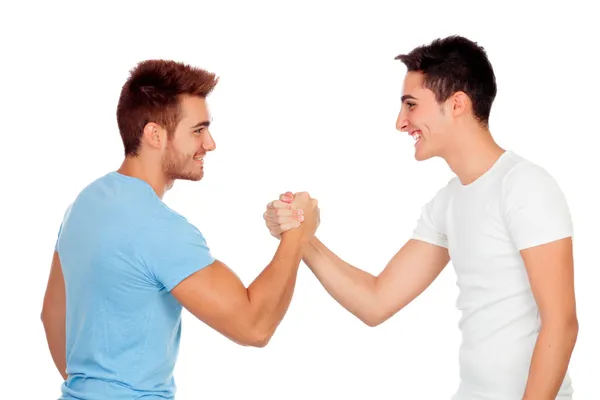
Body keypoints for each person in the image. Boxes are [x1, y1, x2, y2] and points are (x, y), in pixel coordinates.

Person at [264, 35, 578, 400]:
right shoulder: (449, 201)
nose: (401, 122)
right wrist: (301, 236)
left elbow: (561, 325)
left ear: (457, 103)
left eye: (411, 105)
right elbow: (376, 301)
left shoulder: (524, 185)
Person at [41, 59, 319, 400]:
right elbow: (254, 326)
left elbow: (52, 312)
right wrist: (297, 232)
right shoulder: (157, 227)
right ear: (155, 135)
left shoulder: (85, 204)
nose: (210, 143)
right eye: (198, 130)